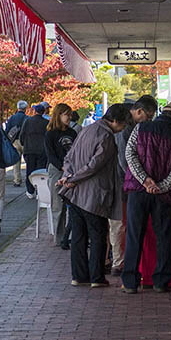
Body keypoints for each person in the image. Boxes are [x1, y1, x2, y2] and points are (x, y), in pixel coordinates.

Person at [121, 101, 171, 294]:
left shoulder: (141, 127)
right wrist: (161, 186)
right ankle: (161, 280)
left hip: (138, 190)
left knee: (135, 235)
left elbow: (130, 154)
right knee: (164, 236)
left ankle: (130, 281)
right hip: (165, 195)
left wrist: (144, 181)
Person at [58, 104, 130, 288]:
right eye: (122, 125)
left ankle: (79, 276)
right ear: (115, 121)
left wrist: (68, 176)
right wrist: (74, 178)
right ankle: (96, 277)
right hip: (94, 194)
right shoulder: (106, 136)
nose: (122, 130)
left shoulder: (86, 129)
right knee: (98, 235)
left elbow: (69, 157)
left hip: (75, 194)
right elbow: (95, 165)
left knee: (78, 236)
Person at [109, 95, 158, 276]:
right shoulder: (126, 128)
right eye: (148, 116)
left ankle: (118, 261)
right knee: (120, 224)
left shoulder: (132, 126)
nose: (149, 120)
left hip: (129, 182)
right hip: (122, 183)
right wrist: (142, 179)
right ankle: (118, 262)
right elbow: (124, 160)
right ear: (139, 111)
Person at [44, 103, 77, 249]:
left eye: (70, 114)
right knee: (58, 205)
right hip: (57, 170)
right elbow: (50, 154)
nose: (69, 117)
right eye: (66, 114)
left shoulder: (73, 133)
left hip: (72, 170)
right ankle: (59, 237)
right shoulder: (50, 133)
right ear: (59, 115)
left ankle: (70, 235)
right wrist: (62, 166)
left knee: (73, 203)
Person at [19, 102, 49, 199]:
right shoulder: (46, 123)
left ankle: (30, 190)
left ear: (35, 111)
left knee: (30, 170)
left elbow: (22, 134)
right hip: (42, 150)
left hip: (29, 149)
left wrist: (24, 144)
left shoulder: (28, 121)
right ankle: (40, 190)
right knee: (41, 171)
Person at [5, 100, 28, 187]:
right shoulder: (27, 118)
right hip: (25, 142)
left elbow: (7, 130)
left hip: (14, 141)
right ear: (25, 108)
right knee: (28, 162)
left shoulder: (12, 118)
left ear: (17, 107)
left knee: (16, 162)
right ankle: (28, 179)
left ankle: (17, 180)